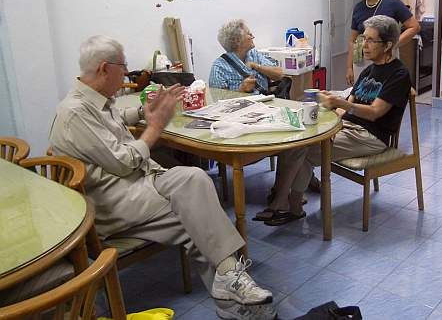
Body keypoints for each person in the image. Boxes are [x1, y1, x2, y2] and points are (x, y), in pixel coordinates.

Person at [49, 35, 277, 320]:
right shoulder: (74, 113)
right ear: (105, 69)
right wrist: (155, 125)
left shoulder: (95, 102)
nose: (127, 73)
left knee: (194, 180)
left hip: (136, 183)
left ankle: (228, 288)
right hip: (114, 200)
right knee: (196, 215)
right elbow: (123, 162)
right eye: (124, 67)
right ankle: (232, 296)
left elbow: (114, 123)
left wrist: (143, 112)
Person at [255, 15, 411, 226]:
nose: (364, 45)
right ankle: (288, 203)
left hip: (372, 136)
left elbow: (374, 112)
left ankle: (286, 204)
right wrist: (331, 116)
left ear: (388, 45)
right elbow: (346, 106)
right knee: (297, 140)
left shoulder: (398, 74)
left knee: (303, 150)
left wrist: (343, 106)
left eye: (370, 40)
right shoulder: (368, 70)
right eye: (363, 39)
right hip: (350, 127)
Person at [346, 0, 420, 86]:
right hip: (361, 62)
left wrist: (394, 44)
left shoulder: (392, 3)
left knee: (384, 96)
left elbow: (414, 27)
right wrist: (349, 67)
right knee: (362, 96)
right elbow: (352, 40)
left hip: (386, 60)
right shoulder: (358, 8)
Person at [209, 19, 283, 93]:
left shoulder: (253, 54)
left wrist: (256, 66)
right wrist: (241, 90)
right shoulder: (219, 68)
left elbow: (279, 74)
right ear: (237, 40)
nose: (253, 36)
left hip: (266, 101)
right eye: (249, 34)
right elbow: (218, 99)